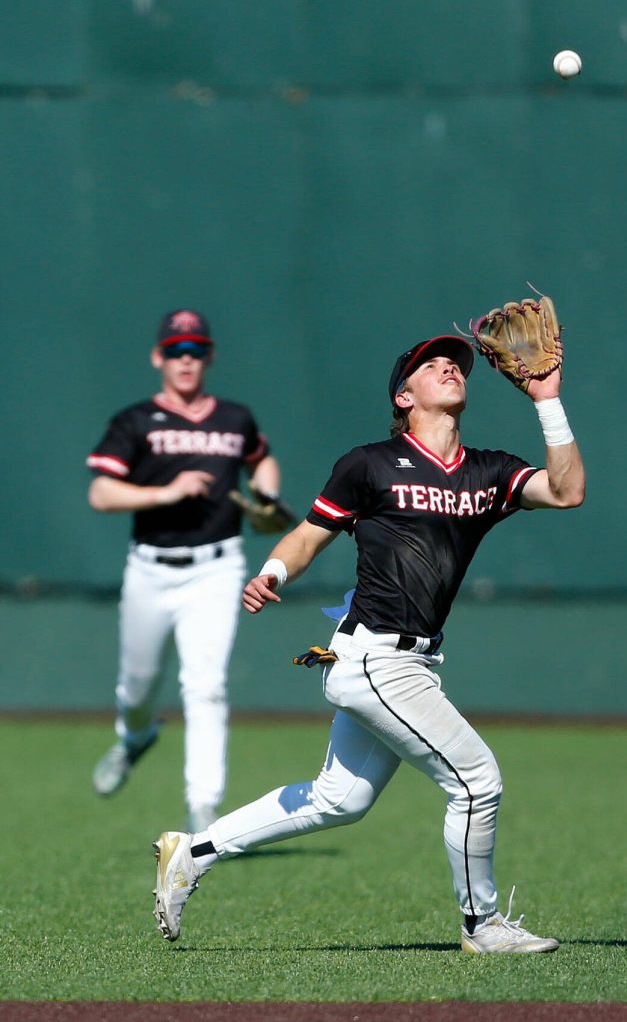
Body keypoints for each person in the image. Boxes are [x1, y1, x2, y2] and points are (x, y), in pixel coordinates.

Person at [152, 324, 585, 952]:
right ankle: (481, 925)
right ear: (403, 397)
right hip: (374, 657)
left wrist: (547, 400)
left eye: (456, 362)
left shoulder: (490, 472)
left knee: (340, 800)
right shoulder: (369, 465)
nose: (449, 366)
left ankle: (191, 851)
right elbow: (307, 535)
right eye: (431, 363)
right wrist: (272, 571)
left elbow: (568, 491)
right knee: (476, 781)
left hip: (414, 661)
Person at [87, 309, 287, 832]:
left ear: (209, 358)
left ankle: (203, 809)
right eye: (176, 351)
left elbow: (260, 460)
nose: (185, 361)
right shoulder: (135, 421)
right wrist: (166, 492)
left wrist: (266, 489)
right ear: (159, 357)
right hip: (151, 568)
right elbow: (101, 492)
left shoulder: (234, 418)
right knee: (137, 685)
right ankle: (135, 736)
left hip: (217, 567)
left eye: (195, 351)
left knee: (206, 685)